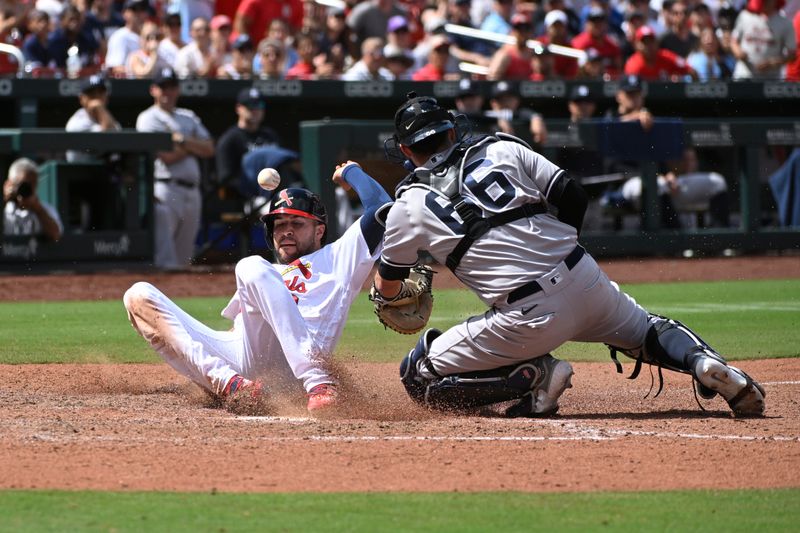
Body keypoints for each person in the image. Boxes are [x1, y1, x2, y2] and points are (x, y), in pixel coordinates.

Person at [367, 91, 766, 418]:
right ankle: (704, 363)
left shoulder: (409, 204)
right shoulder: (501, 148)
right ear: (452, 132)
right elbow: (572, 195)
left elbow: (389, 283)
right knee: (646, 330)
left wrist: (386, 297)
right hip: (584, 276)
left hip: (524, 317)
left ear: (405, 149)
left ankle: (538, 374)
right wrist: (558, 256)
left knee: (418, 376)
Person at [122, 167, 392, 414]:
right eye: (279, 225)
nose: (286, 232)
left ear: (319, 230)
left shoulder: (339, 256)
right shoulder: (266, 272)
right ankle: (228, 385)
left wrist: (351, 172)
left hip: (294, 370)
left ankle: (320, 383)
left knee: (249, 265)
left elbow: (382, 206)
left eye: (297, 224)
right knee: (138, 294)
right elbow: (240, 331)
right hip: (245, 363)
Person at [135, 67, 215, 270]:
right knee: (165, 259)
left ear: (177, 90)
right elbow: (166, 156)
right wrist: (193, 146)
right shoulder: (148, 118)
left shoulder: (187, 116)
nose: (167, 92)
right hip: (165, 188)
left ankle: (179, 298)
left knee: (184, 258)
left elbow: (209, 148)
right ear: (153, 89)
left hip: (192, 191)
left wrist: (181, 140)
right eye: (163, 87)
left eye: (171, 87)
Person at [215, 86, 288, 200]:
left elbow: (284, 165)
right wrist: (252, 192)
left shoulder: (270, 135)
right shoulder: (230, 138)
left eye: (259, 106)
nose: (255, 110)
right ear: (238, 108)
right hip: (246, 199)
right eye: (250, 106)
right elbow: (225, 177)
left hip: (275, 195)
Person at [730, 0, 796, 79]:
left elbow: (792, 54)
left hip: (771, 80)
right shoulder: (745, 16)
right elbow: (733, 41)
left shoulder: (785, 23)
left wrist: (773, 62)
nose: (765, 2)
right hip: (744, 76)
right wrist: (738, 52)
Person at [3, 157, 63, 241]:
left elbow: (56, 236)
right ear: (9, 184)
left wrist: (39, 210)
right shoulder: (4, 210)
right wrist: (4, 201)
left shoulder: (44, 209)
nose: (29, 189)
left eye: (33, 185)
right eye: (23, 185)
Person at [65, 74, 121, 162]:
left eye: (100, 92)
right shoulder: (76, 122)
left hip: (105, 172)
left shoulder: (107, 116)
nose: (97, 98)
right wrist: (99, 108)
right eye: (91, 94)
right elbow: (106, 140)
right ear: (81, 99)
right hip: (79, 172)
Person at [624, 25, 697, 80]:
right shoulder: (633, 64)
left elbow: (691, 71)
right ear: (636, 45)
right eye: (645, 42)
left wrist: (680, 80)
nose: (649, 46)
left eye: (651, 41)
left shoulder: (666, 56)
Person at [104, 0, 149, 77]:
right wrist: (138, 71)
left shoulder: (149, 36)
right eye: (135, 10)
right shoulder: (120, 37)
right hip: (129, 85)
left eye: (142, 9)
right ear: (124, 13)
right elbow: (114, 68)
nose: (139, 14)